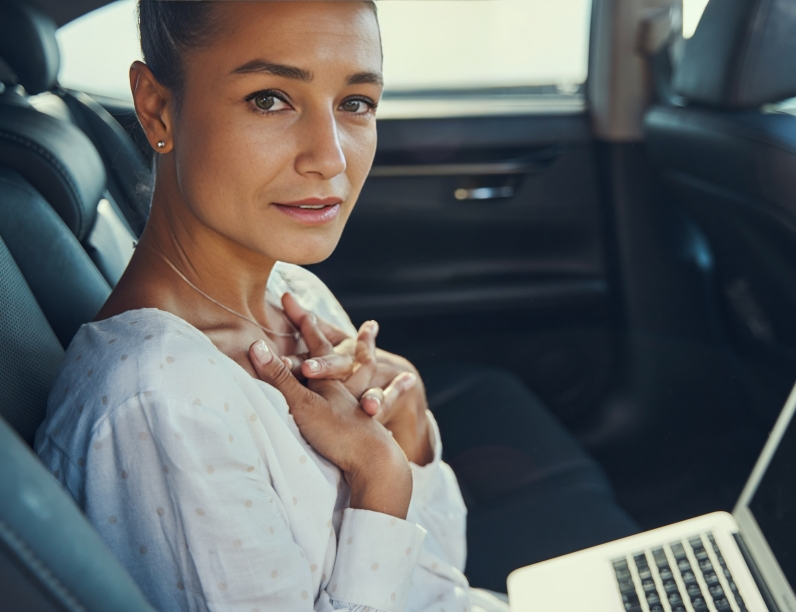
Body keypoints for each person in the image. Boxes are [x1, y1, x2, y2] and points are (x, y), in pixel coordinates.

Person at [34, 2, 508, 611]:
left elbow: (438, 586)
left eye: (355, 103)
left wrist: (408, 429)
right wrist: (380, 478)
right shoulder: (163, 402)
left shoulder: (292, 292)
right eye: (269, 99)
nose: (330, 158)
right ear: (157, 108)